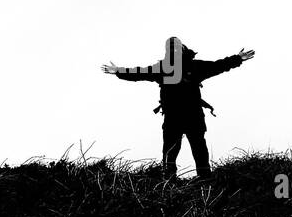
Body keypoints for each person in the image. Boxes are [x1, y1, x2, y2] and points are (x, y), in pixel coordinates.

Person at [102, 37, 255, 180]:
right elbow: (138, 72)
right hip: (173, 118)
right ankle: (169, 180)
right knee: (170, 152)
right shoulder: (162, 68)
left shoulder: (194, 66)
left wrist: (237, 58)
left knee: (198, 149)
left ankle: (205, 179)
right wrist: (118, 71)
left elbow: (218, 65)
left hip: (193, 116)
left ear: (183, 49)